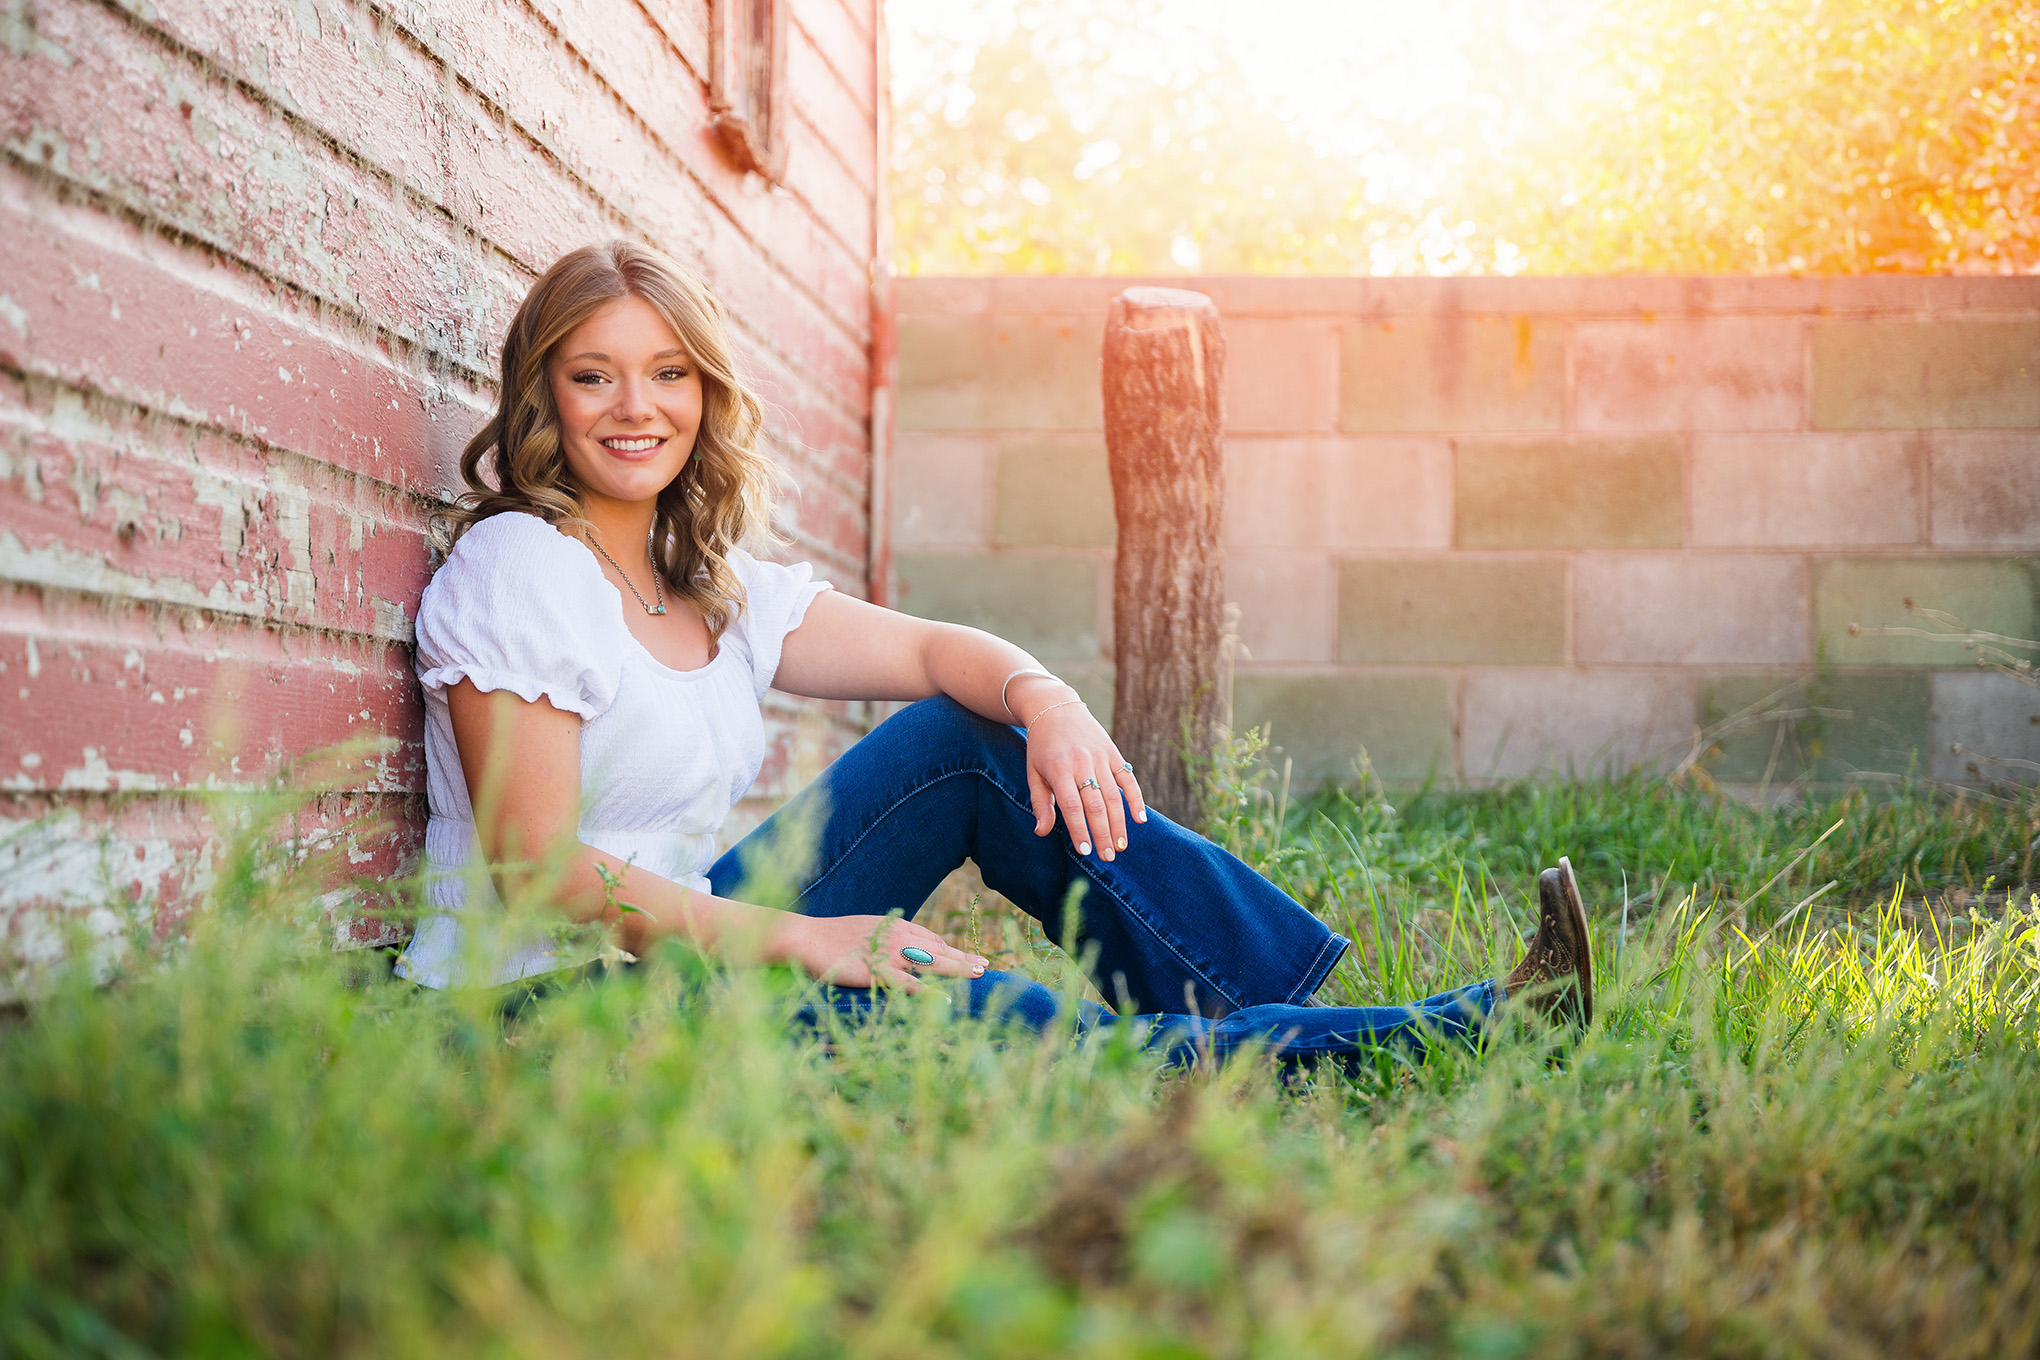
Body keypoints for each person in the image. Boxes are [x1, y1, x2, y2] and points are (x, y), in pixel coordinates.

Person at [397, 239, 1593, 1071]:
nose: (635, 407)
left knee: (965, 741)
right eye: (593, 375)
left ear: (704, 394)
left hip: (699, 945)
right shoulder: (527, 568)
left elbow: (930, 653)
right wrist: (814, 940)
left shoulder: (706, 581)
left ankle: (1255, 1003)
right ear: (545, 395)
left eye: (667, 374)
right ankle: (1435, 1037)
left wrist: (1049, 696)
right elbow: (540, 871)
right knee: (958, 1002)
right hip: (543, 1009)